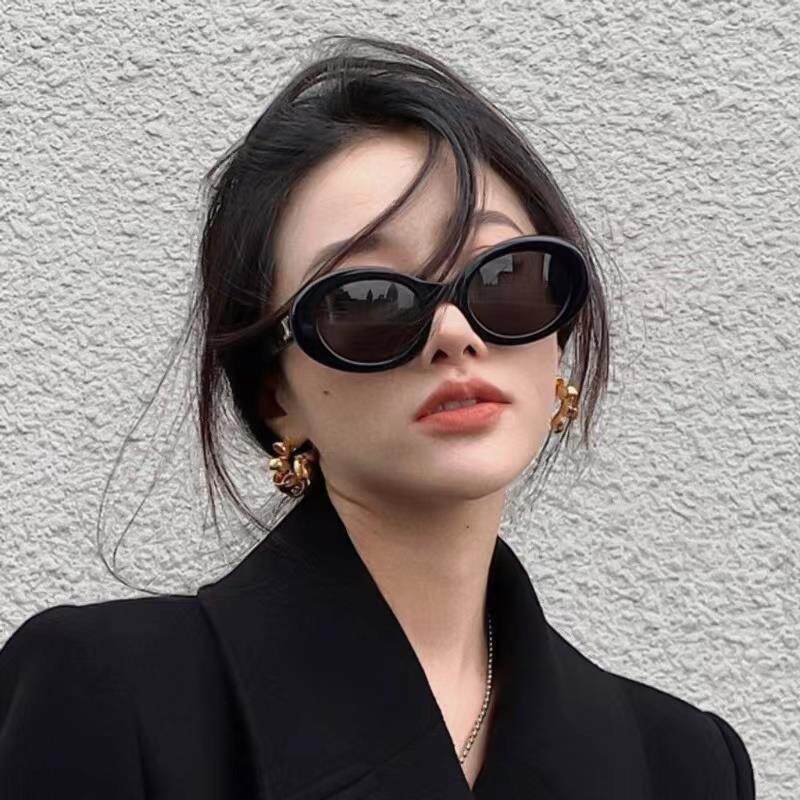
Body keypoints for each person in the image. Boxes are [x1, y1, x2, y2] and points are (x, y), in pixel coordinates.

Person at [0, 35, 755, 799]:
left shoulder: (685, 765)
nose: (454, 332)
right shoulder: (111, 696)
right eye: (368, 299)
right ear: (277, 395)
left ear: (556, 343)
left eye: (505, 278)